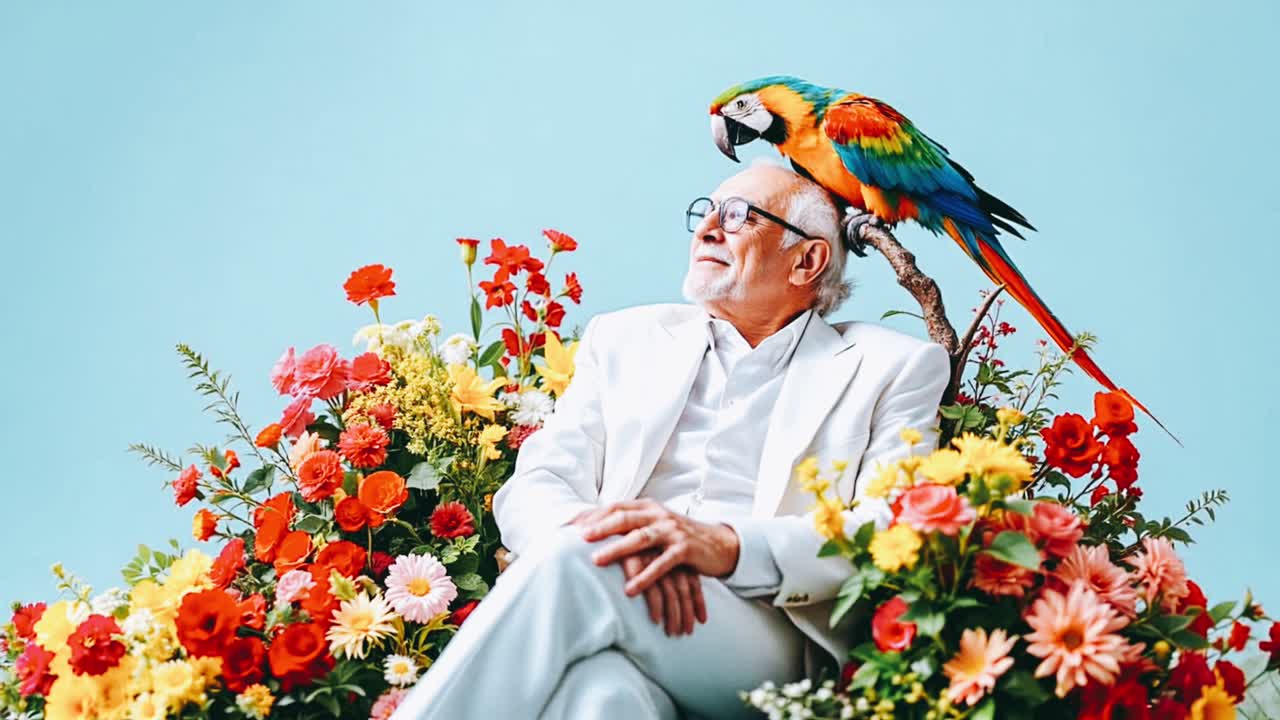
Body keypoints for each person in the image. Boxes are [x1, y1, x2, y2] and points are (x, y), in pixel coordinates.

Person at [392, 163, 950, 719]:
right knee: (601, 694)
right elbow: (539, 481)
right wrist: (623, 549)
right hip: (618, 592)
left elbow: (888, 525)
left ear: (807, 260)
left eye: (739, 216)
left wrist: (727, 546)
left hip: (773, 633)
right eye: (706, 212)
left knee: (583, 561)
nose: (707, 228)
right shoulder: (625, 337)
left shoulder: (892, 367)